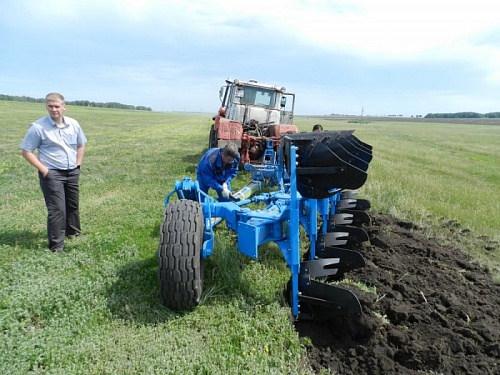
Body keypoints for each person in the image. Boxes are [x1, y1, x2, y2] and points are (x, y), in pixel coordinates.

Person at [20, 93, 87, 252]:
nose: (54, 109)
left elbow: (81, 144)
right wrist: (45, 170)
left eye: (57, 106)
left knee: (72, 205)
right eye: (50, 106)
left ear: (64, 107)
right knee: (57, 210)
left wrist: (78, 165)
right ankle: (56, 247)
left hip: (72, 172)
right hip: (52, 174)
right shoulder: (38, 127)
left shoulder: (73, 124)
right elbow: (26, 151)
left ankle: (74, 234)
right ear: (46, 106)